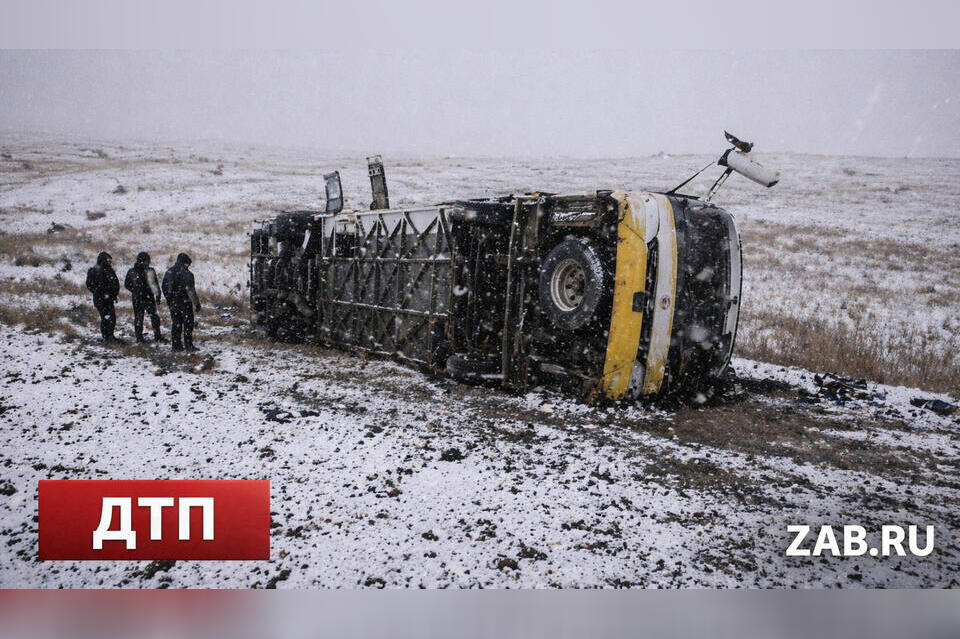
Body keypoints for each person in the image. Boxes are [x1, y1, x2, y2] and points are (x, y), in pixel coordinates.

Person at [161, 253, 201, 351]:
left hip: (173, 302)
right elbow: (190, 290)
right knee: (188, 324)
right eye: (188, 264)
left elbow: (164, 287)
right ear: (185, 263)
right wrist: (196, 303)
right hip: (185, 302)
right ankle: (188, 345)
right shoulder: (188, 274)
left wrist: (169, 299)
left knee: (176, 323)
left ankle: (176, 346)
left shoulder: (169, 272)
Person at [124, 251, 164, 343]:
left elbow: (127, 284)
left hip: (138, 298)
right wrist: (157, 296)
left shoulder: (132, 271)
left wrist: (135, 291)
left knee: (139, 318)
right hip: (148, 297)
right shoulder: (149, 271)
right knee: (153, 317)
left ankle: (139, 338)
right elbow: (154, 285)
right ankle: (157, 336)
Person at [85, 251, 120, 343]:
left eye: (110, 261)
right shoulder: (95, 271)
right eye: (108, 260)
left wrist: (113, 294)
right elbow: (90, 285)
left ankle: (110, 336)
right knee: (106, 318)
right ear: (103, 260)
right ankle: (106, 337)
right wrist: (99, 293)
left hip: (109, 298)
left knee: (111, 318)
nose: (109, 262)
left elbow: (114, 283)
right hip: (100, 299)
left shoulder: (109, 270)